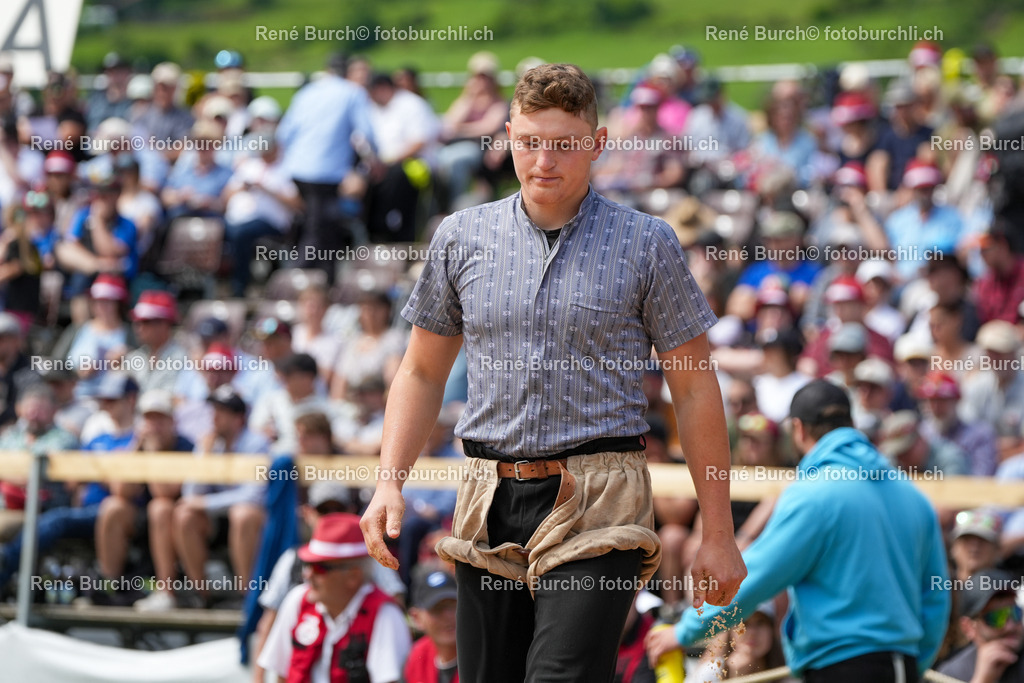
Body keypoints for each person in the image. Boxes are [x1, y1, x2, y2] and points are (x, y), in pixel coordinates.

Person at [360, 63, 745, 683]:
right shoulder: (460, 236)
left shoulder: (647, 243)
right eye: (530, 141)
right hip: (488, 491)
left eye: (565, 144)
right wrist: (388, 481)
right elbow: (421, 372)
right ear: (506, 136)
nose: (545, 159)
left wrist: (719, 532)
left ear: (597, 143)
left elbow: (696, 387)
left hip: (603, 495)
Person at [648, 379, 950, 683]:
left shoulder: (812, 495)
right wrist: (914, 662)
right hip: (904, 667)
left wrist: (686, 630)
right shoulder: (913, 498)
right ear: (850, 424)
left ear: (798, 429)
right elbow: (936, 597)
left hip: (841, 668)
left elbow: (754, 576)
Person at [257, 513, 412, 683]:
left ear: (353, 576)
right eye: (307, 565)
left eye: (320, 568)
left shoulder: (385, 615)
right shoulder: (297, 600)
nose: (307, 574)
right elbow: (283, 675)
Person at [937, 568, 1024, 683]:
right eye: (996, 618)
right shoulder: (950, 674)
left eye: (1015, 612)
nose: (1010, 626)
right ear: (968, 627)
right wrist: (982, 680)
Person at [405, 569, 459, 683]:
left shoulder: (483, 653)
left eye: (453, 605)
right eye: (437, 609)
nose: (448, 616)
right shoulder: (419, 655)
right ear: (417, 618)